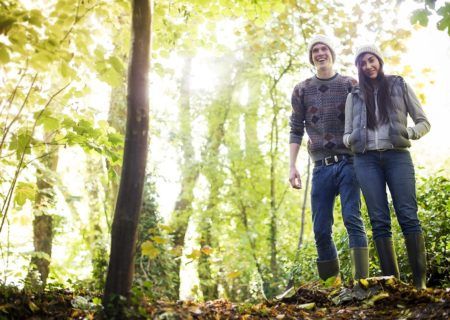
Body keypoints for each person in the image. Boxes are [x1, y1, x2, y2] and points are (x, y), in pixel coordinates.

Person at [344, 44, 430, 289]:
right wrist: (349, 140)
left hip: (397, 158)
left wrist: (410, 132)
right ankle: (393, 285)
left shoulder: (398, 85)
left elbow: (423, 122)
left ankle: (419, 284)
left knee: (408, 215)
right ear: (358, 68)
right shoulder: (354, 95)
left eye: (372, 60)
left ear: (379, 61)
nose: (368, 66)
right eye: (363, 63)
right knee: (379, 220)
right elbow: (346, 133)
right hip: (365, 160)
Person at [289, 35, 368, 282]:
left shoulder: (350, 84)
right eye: (315, 51)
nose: (320, 53)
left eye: (324, 49)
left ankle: (360, 283)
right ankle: (332, 286)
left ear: (332, 54)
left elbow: (364, 120)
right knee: (321, 228)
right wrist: (292, 166)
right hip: (321, 167)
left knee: (352, 219)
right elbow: (295, 128)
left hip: (349, 162)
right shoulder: (301, 90)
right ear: (312, 58)